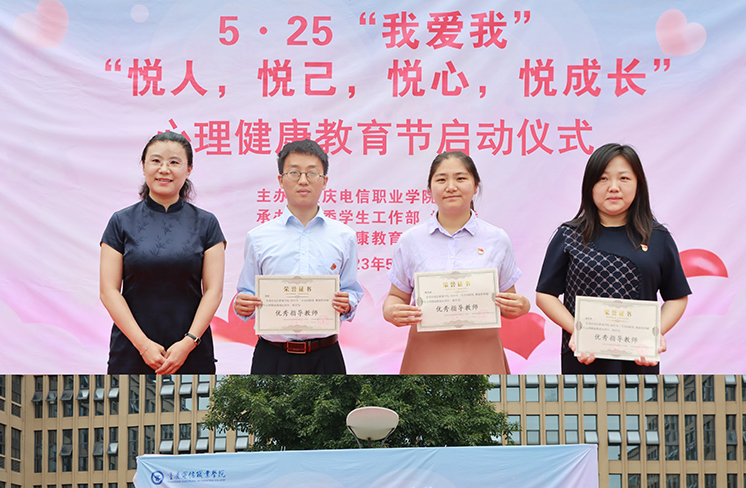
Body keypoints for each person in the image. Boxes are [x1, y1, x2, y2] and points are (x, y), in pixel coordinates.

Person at [536, 142, 691, 373]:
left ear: (639, 184)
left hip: (639, 358)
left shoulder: (658, 237)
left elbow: (677, 297)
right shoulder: (569, 235)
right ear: (589, 186)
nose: (614, 187)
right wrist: (577, 330)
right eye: (603, 179)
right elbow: (545, 295)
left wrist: (654, 333)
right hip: (583, 356)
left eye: (624, 178)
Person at [382, 150, 530, 373]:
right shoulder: (410, 240)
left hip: (482, 351)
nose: (451, 187)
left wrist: (521, 305)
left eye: (461, 178)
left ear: (476, 186)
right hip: (426, 352)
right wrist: (391, 311)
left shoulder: (497, 239)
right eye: (441, 180)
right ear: (430, 189)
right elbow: (396, 296)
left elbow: (508, 302)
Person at [100, 130, 226, 374]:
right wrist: (143, 345)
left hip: (192, 349)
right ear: (144, 166)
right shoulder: (121, 221)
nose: (164, 169)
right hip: (131, 349)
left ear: (189, 169)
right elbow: (108, 291)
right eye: (156, 161)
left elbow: (214, 291)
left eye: (174, 162)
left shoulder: (207, 223)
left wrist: (188, 343)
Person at [234, 138, 363, 373]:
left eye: (312, 173)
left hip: (326, 355)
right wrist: (242, 304)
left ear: (324, 181)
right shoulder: (258, 237)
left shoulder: (345, 237)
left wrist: (348, 303)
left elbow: (351, 290)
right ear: (281, 180)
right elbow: (247, 292)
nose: (303, 180)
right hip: (271, 355)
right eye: (294, 173)